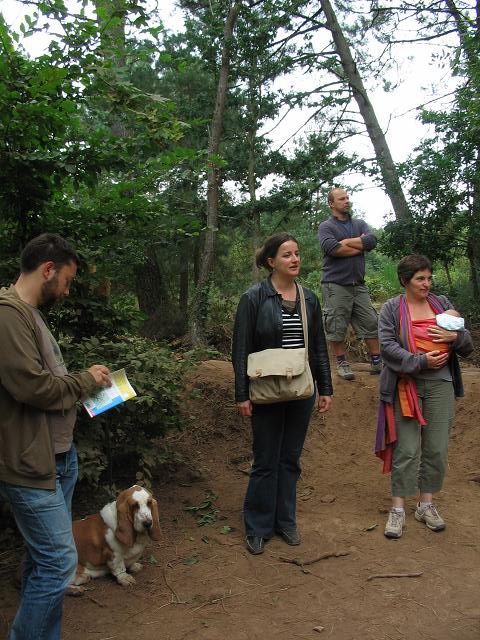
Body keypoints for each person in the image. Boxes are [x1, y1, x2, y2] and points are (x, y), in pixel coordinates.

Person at [0, 233, 112, 640]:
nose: (66, 290)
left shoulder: (29, 314)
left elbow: (46, 380)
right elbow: (33, 388)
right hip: (31, 466)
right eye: (66, 279)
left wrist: (88, 383)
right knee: (61, 562)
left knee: (41, 559)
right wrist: (83, 381)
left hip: (58, 458)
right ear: (48, 269)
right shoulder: (8, 315)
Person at [232, 232, 333, 555]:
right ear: (271, 262)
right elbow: (241, 349)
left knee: (290, 459)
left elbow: (317, 347)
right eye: (287, 255)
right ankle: (258, 526)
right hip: (266, 389)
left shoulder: (309, 298)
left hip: (301, 390)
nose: (295, 259)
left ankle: (285, 521)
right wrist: (241, 394)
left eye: (297, 253)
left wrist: (325, 388)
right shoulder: (253, 298)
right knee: (265, 461)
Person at [375, 255, 473, 539]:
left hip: (441, 384)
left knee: (437, 449)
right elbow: (387, 347)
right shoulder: (393, 309)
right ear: (405, 281)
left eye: (429, 278)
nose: (426, 284)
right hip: (406, 385)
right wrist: (419, 362)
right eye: (420, 279)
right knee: (406, 449)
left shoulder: (441, 304)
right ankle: (398, 509)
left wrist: (455, 339)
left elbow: (466, 343)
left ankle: (426, 504)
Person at [318, 187, 381, 380]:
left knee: (371, 322)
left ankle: (377, 361)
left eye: (347, 197)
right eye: (341, 199)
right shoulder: (326, 227)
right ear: (332, 204)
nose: (346, 201)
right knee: (337, 326)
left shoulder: (360, 223)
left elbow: (371, 241)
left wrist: (345, 243)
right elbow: (332, 249)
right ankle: (342, 363)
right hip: (335, 284)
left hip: (358, 284)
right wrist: (358, 246)